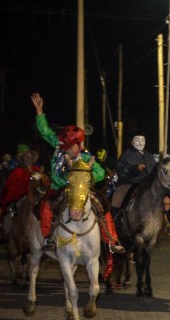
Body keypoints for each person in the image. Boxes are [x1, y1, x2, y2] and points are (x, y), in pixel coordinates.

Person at [30, 93, 125, 253]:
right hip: (59, 188)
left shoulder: (86, 156)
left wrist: (86, 174)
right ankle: (48, 239)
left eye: (73, 145)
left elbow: (100, 173)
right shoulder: (59, 147)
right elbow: (45, 132)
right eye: (67, 144)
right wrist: (40, 111)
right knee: (46, 206)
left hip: (82, 190)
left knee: (102, 205)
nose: (70, 148)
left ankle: (111, 241)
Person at [112, 134, 158, 212]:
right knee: (118, 200)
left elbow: (155, 170)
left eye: (143, 140)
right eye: (137, 140)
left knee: (165, 200)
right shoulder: (126, 155)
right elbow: (120, 170)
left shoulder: (149, 156)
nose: (140, 143)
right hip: (129, 185)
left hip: (149, 186)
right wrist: (135, 169)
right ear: (132, 142)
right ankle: (117, 219)